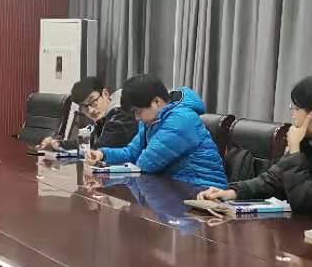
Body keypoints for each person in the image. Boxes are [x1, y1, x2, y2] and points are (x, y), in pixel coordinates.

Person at [198, 72, 312, 213]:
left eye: (295, 108)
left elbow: (309, 201)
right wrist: (231, 192)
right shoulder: (309, 141)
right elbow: (273, 179)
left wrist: (294, 151)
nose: (291, 112)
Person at [88, 74, 227, 188]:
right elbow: (131, 152)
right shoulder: (151, 120)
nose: (137, 118)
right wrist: (102, 154)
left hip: (203, 191)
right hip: (173, 188)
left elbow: (145, 165)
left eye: (138, 112)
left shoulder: (180, 120)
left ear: (156, 102)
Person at [40, 75, 138, 151]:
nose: (91, 111)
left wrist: (58, 145)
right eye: (85, 107)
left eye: (93, 102)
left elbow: (99, 148)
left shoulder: (121, 114)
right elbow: (90, 144)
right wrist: (57, 144)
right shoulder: (104, 117)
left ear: (105, 94)